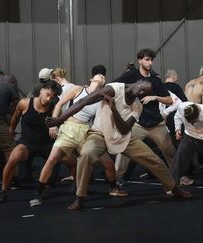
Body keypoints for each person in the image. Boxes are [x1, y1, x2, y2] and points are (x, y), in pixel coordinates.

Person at [45, 79, 191, 210]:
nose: (141, 90)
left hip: (123, 138)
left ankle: (174, 188)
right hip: (100, 133)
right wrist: (60, 119)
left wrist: (114, 109)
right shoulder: (113, 89)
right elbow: (83, 101)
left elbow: (124, 129)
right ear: (136, 82)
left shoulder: (137, 107)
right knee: (86, 154)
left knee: (155, 160)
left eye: (143, 92)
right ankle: (80, 197)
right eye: (141, 87)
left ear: (142, 95)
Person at [29, 72, 127, 207]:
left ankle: (113, 188)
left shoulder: (102, 97)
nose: (101, 77)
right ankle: (38, 194)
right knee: (52, 159)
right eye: (98, 76)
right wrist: (54, 124)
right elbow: (59, 104)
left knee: (108, 163)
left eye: (103, 77)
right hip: (69, 128)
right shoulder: (78, 89)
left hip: (86, 131)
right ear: (91, 79)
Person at [0, 80, 62, 203]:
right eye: (47, 94)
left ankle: (79, 190)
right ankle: (3, 190)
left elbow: (60, 123)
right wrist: (11, 130)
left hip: (47, 144)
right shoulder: (24, 103)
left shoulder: (54, 109)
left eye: (52, 97)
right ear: (41, 90)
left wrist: (55, 127)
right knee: (13, 158)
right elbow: (15, 118)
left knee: (72, 161)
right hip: (28, 143)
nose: (48, 98)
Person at [113, 48, 176, 181]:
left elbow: (170, 100)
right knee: (123, 150)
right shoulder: (131, 76)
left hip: (156, 124)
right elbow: (114, 86)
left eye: (151, 60)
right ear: (140, 61)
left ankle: (174, 181)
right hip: (137, 123)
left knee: (170, 152)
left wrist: (155, 98)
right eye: (147, 60)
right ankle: (115, 182)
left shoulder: (156, 80)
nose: (150, 63)